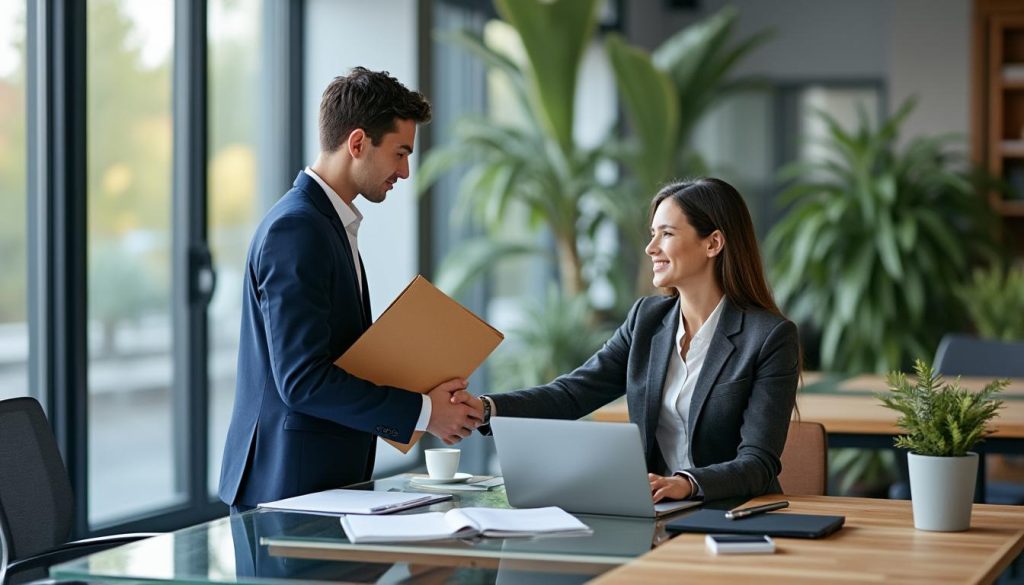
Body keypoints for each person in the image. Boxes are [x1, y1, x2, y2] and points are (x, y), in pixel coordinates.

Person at [219, 67, 482, 511]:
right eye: (400, 153)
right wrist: (423, 411)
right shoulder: (298, 229)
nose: (405, 170)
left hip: (314, 485)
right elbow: (301, 380)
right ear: (358, 143)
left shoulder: (324, 224)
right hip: (287, 490)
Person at [455, 178, 800, 503]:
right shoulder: (646, 321)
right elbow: (572, 393)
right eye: (652, 234)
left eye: (666, 234)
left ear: (713, 243)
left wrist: (685, 483)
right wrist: (486, 408)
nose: (651, 248)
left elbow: (758, 462)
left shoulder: (769, 337)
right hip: (657, 510)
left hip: (734, 513)